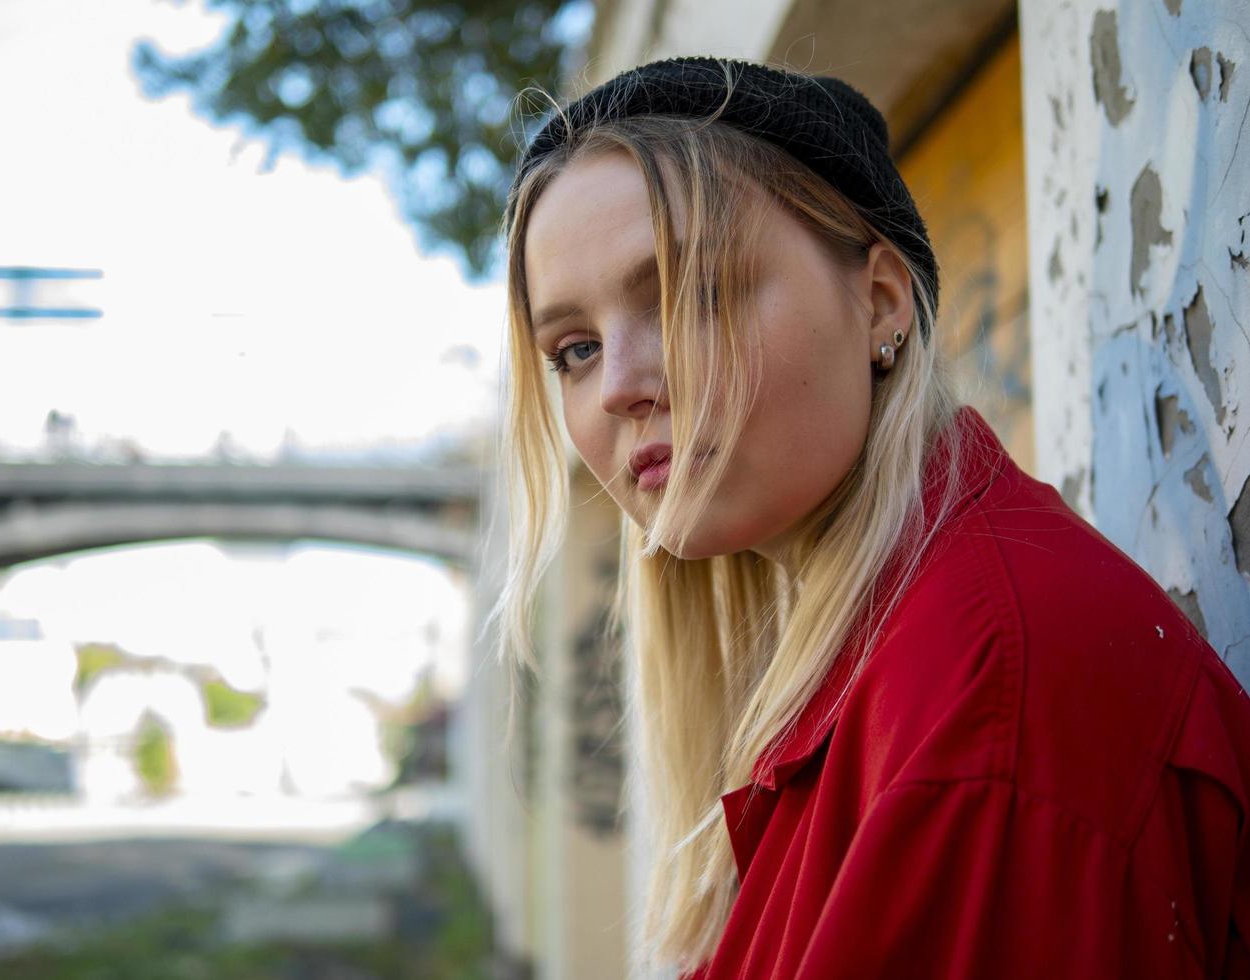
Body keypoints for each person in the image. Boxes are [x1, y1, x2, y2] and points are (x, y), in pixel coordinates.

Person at [493, 56, 1250, 978]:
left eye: (692, 295)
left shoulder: (986, 704)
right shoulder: (877, 665)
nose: (616, 386)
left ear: (881, 302)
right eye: (573, 349)